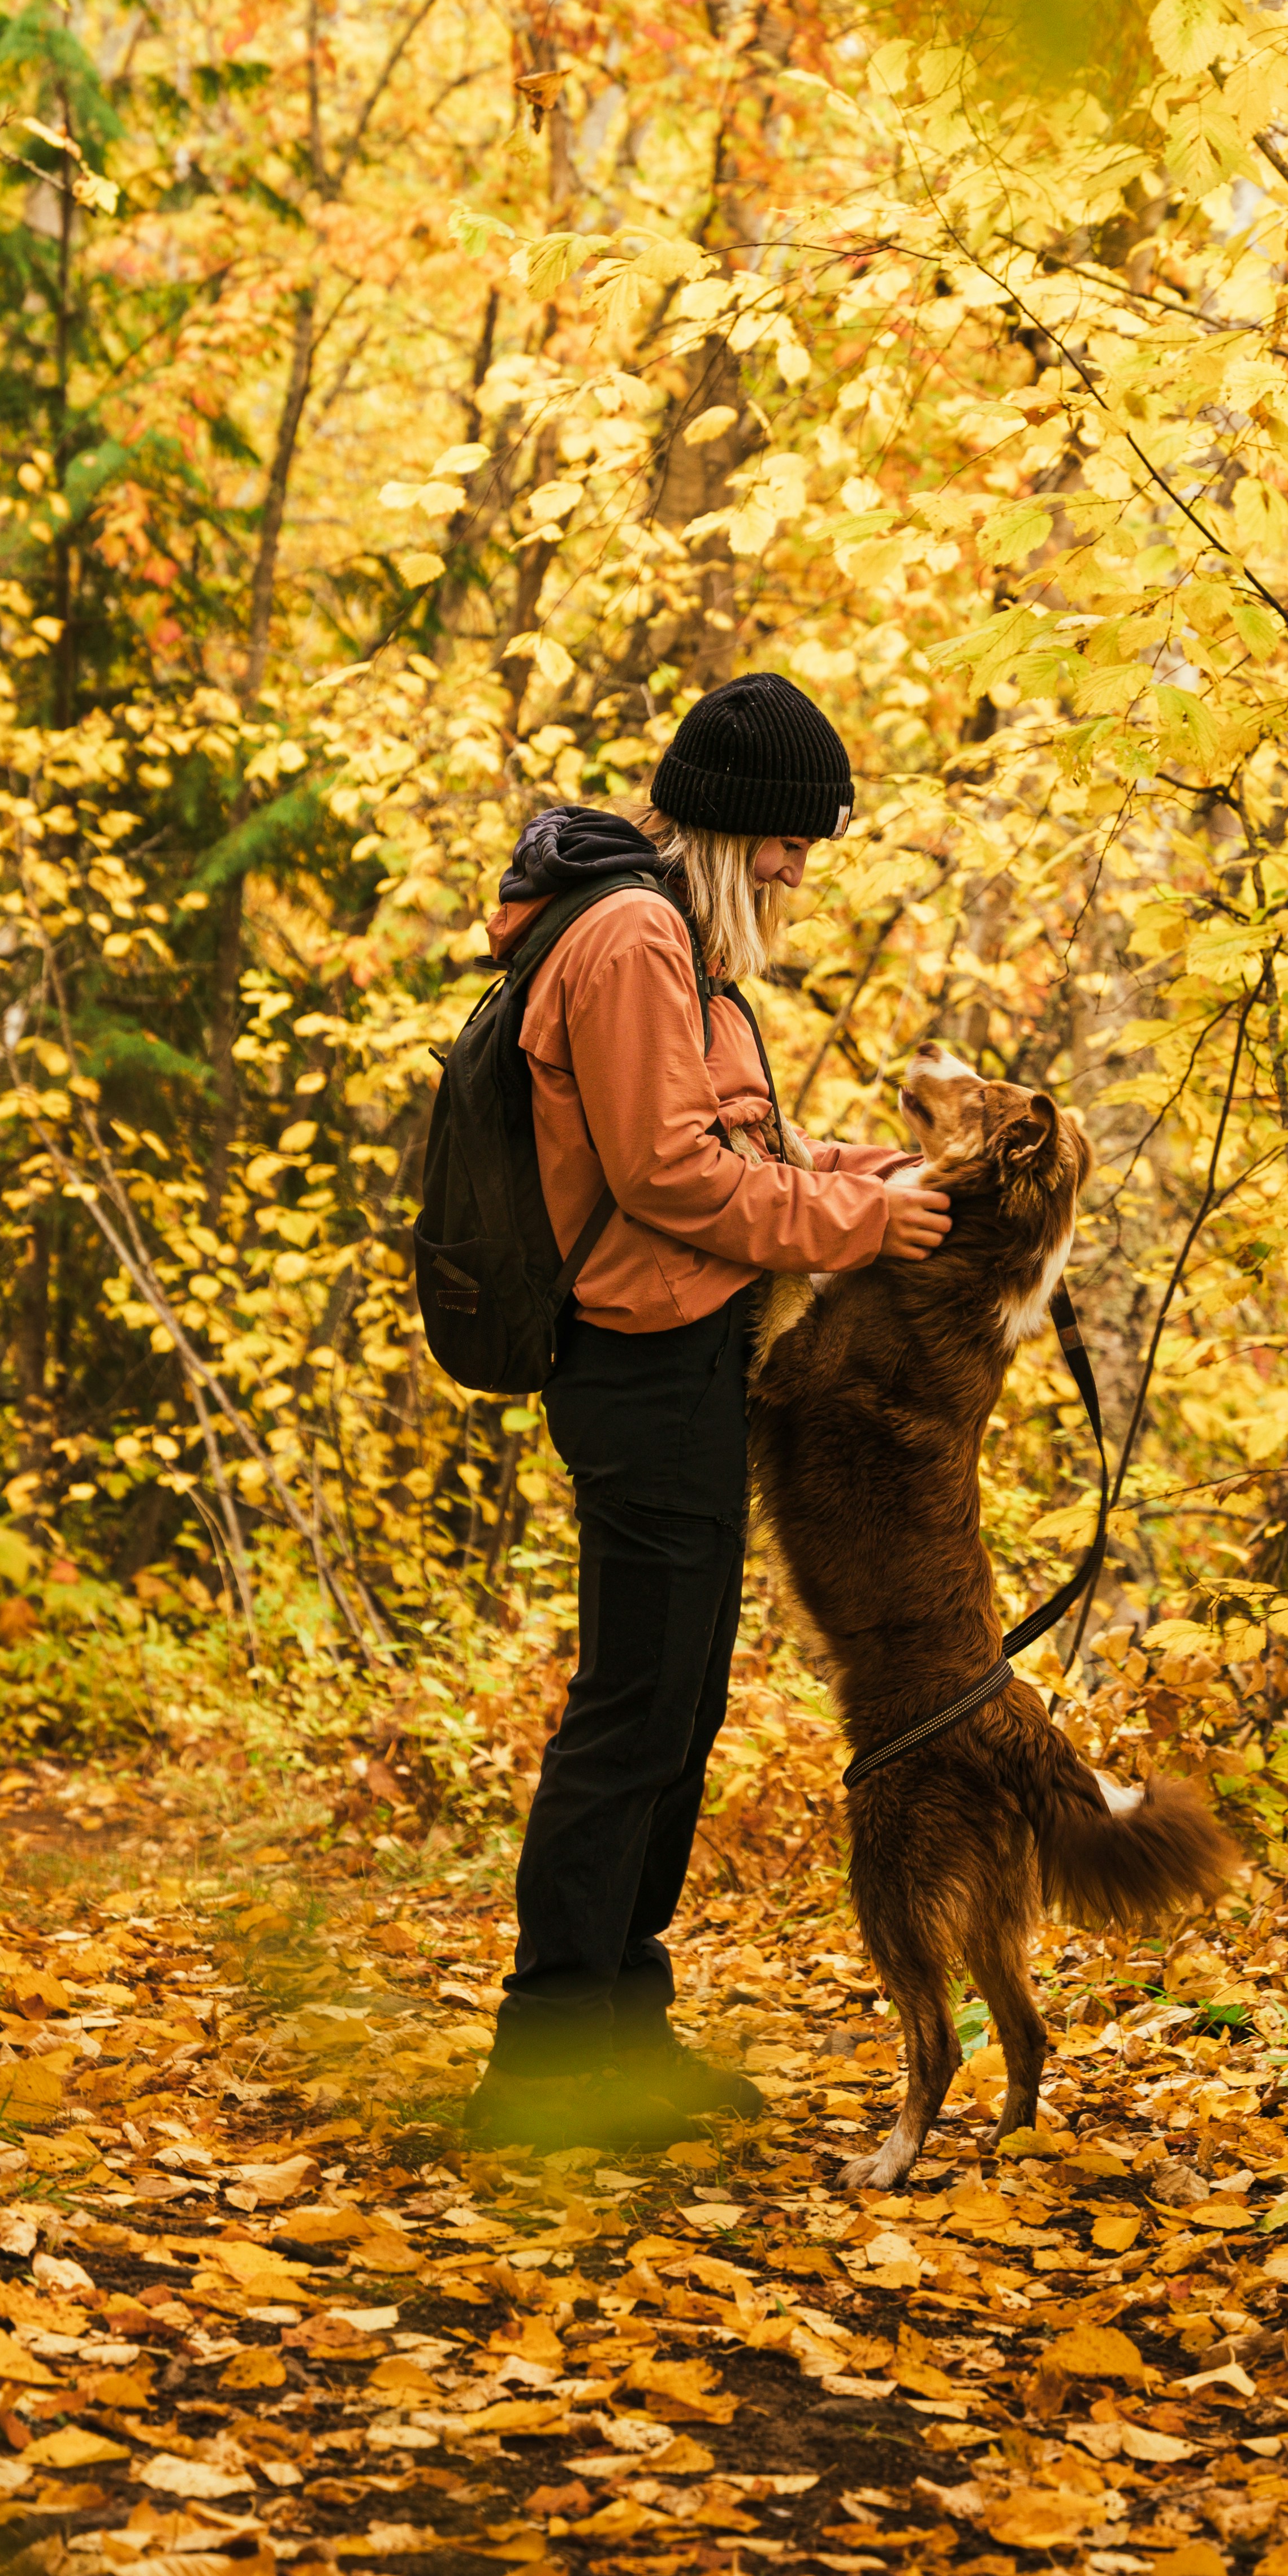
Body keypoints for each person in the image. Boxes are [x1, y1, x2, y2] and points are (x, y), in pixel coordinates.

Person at [462, 672, 952, 2153]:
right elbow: (672, 1179)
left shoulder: (676, 948)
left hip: (685, 1356)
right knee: (634, 1706)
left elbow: (735, 1145)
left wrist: (863, 1176)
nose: (805, 870)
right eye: (791, 843)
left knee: (675, 1700)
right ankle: (550, 2056)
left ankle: (623, 2027)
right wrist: (856, 1230)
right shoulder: (627, 940)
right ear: (731, 829)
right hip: (635, 1363)